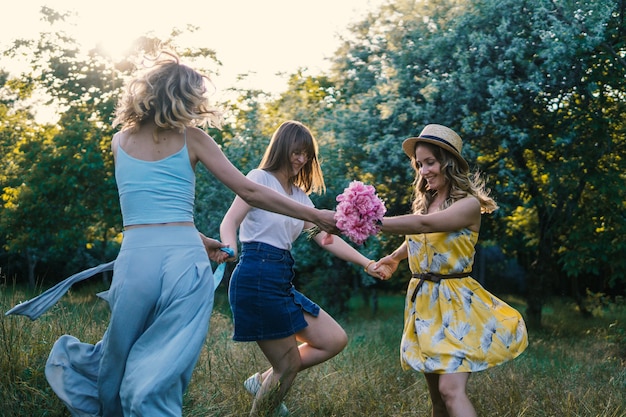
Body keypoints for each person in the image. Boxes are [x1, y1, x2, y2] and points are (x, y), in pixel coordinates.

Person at [37, 51, 337, 417]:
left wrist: (201, 239)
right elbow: (252, 192)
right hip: (183, 262)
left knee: (119, 351)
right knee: (166, 359)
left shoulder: (119, 142)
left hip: (136, 259)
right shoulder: (193, 139)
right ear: (181, 97)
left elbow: (147, 214)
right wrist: (315, 215)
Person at [220, 120, 389, 417]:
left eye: (306, 154)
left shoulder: (300, 197)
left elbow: (326, 239)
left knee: (334, 340)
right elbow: (230, 220)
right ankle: (266, 394)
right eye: (296, 152)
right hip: (256, 273)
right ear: (282, 149)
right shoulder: (258, 178)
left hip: (281, 278)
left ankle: (262, 381)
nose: (301, 159)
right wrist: (228, 247)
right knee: (287, 366)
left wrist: (367, 263)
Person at [374, 124, 528, 417]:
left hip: (456, 303)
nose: (423, 171)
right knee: (437, 401)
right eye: (419, 164)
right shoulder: (427, 203)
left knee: (450, 390)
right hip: (425, 303)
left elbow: (425, 226)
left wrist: (371, 220)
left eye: (429, 162)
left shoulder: (468, 205)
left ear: (448, 162)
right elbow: (423, 236)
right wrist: (395, 257)